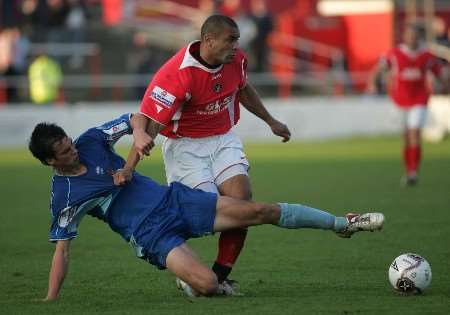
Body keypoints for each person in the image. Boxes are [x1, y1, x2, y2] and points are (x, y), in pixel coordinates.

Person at [29, 113, 384, 300]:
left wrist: (138, 135)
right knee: (209, 286)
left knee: (258, 211)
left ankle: (343, 223)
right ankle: (193, 280)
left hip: (176, 200)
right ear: (50, 162)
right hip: (151, 234)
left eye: (69, 143)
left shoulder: (91, 140)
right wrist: (50, 298)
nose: (72, 150)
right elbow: (63, 250)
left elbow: (135, 117)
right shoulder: (65, 196)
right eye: (63, 152)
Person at [120, 14, 292, 294]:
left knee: (242, 203)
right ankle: (167, 249)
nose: (236, 45)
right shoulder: (176, 74)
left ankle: (220, 276)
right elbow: (150, 123)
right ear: (208, 40)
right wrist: (129, 168)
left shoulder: (236, 60)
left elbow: (243, 89)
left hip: (222, 139)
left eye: (237, 39)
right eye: (231, 40)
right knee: (208, 212)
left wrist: (271, 121)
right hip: (185, 147)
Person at [367, 23, 448, 187]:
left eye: (415, 35)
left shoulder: (426, 56)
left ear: (419, 37)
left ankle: (413, 171)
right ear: (404, 36)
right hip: (400, 100)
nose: (412, 38)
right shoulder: (395, 54)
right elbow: (380, 68)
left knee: (414, 132)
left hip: (420, 99)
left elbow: (439, 74)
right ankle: (409, 170)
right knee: (406, 137)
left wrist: (443, 84)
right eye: (409, 35)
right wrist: (373, 82)